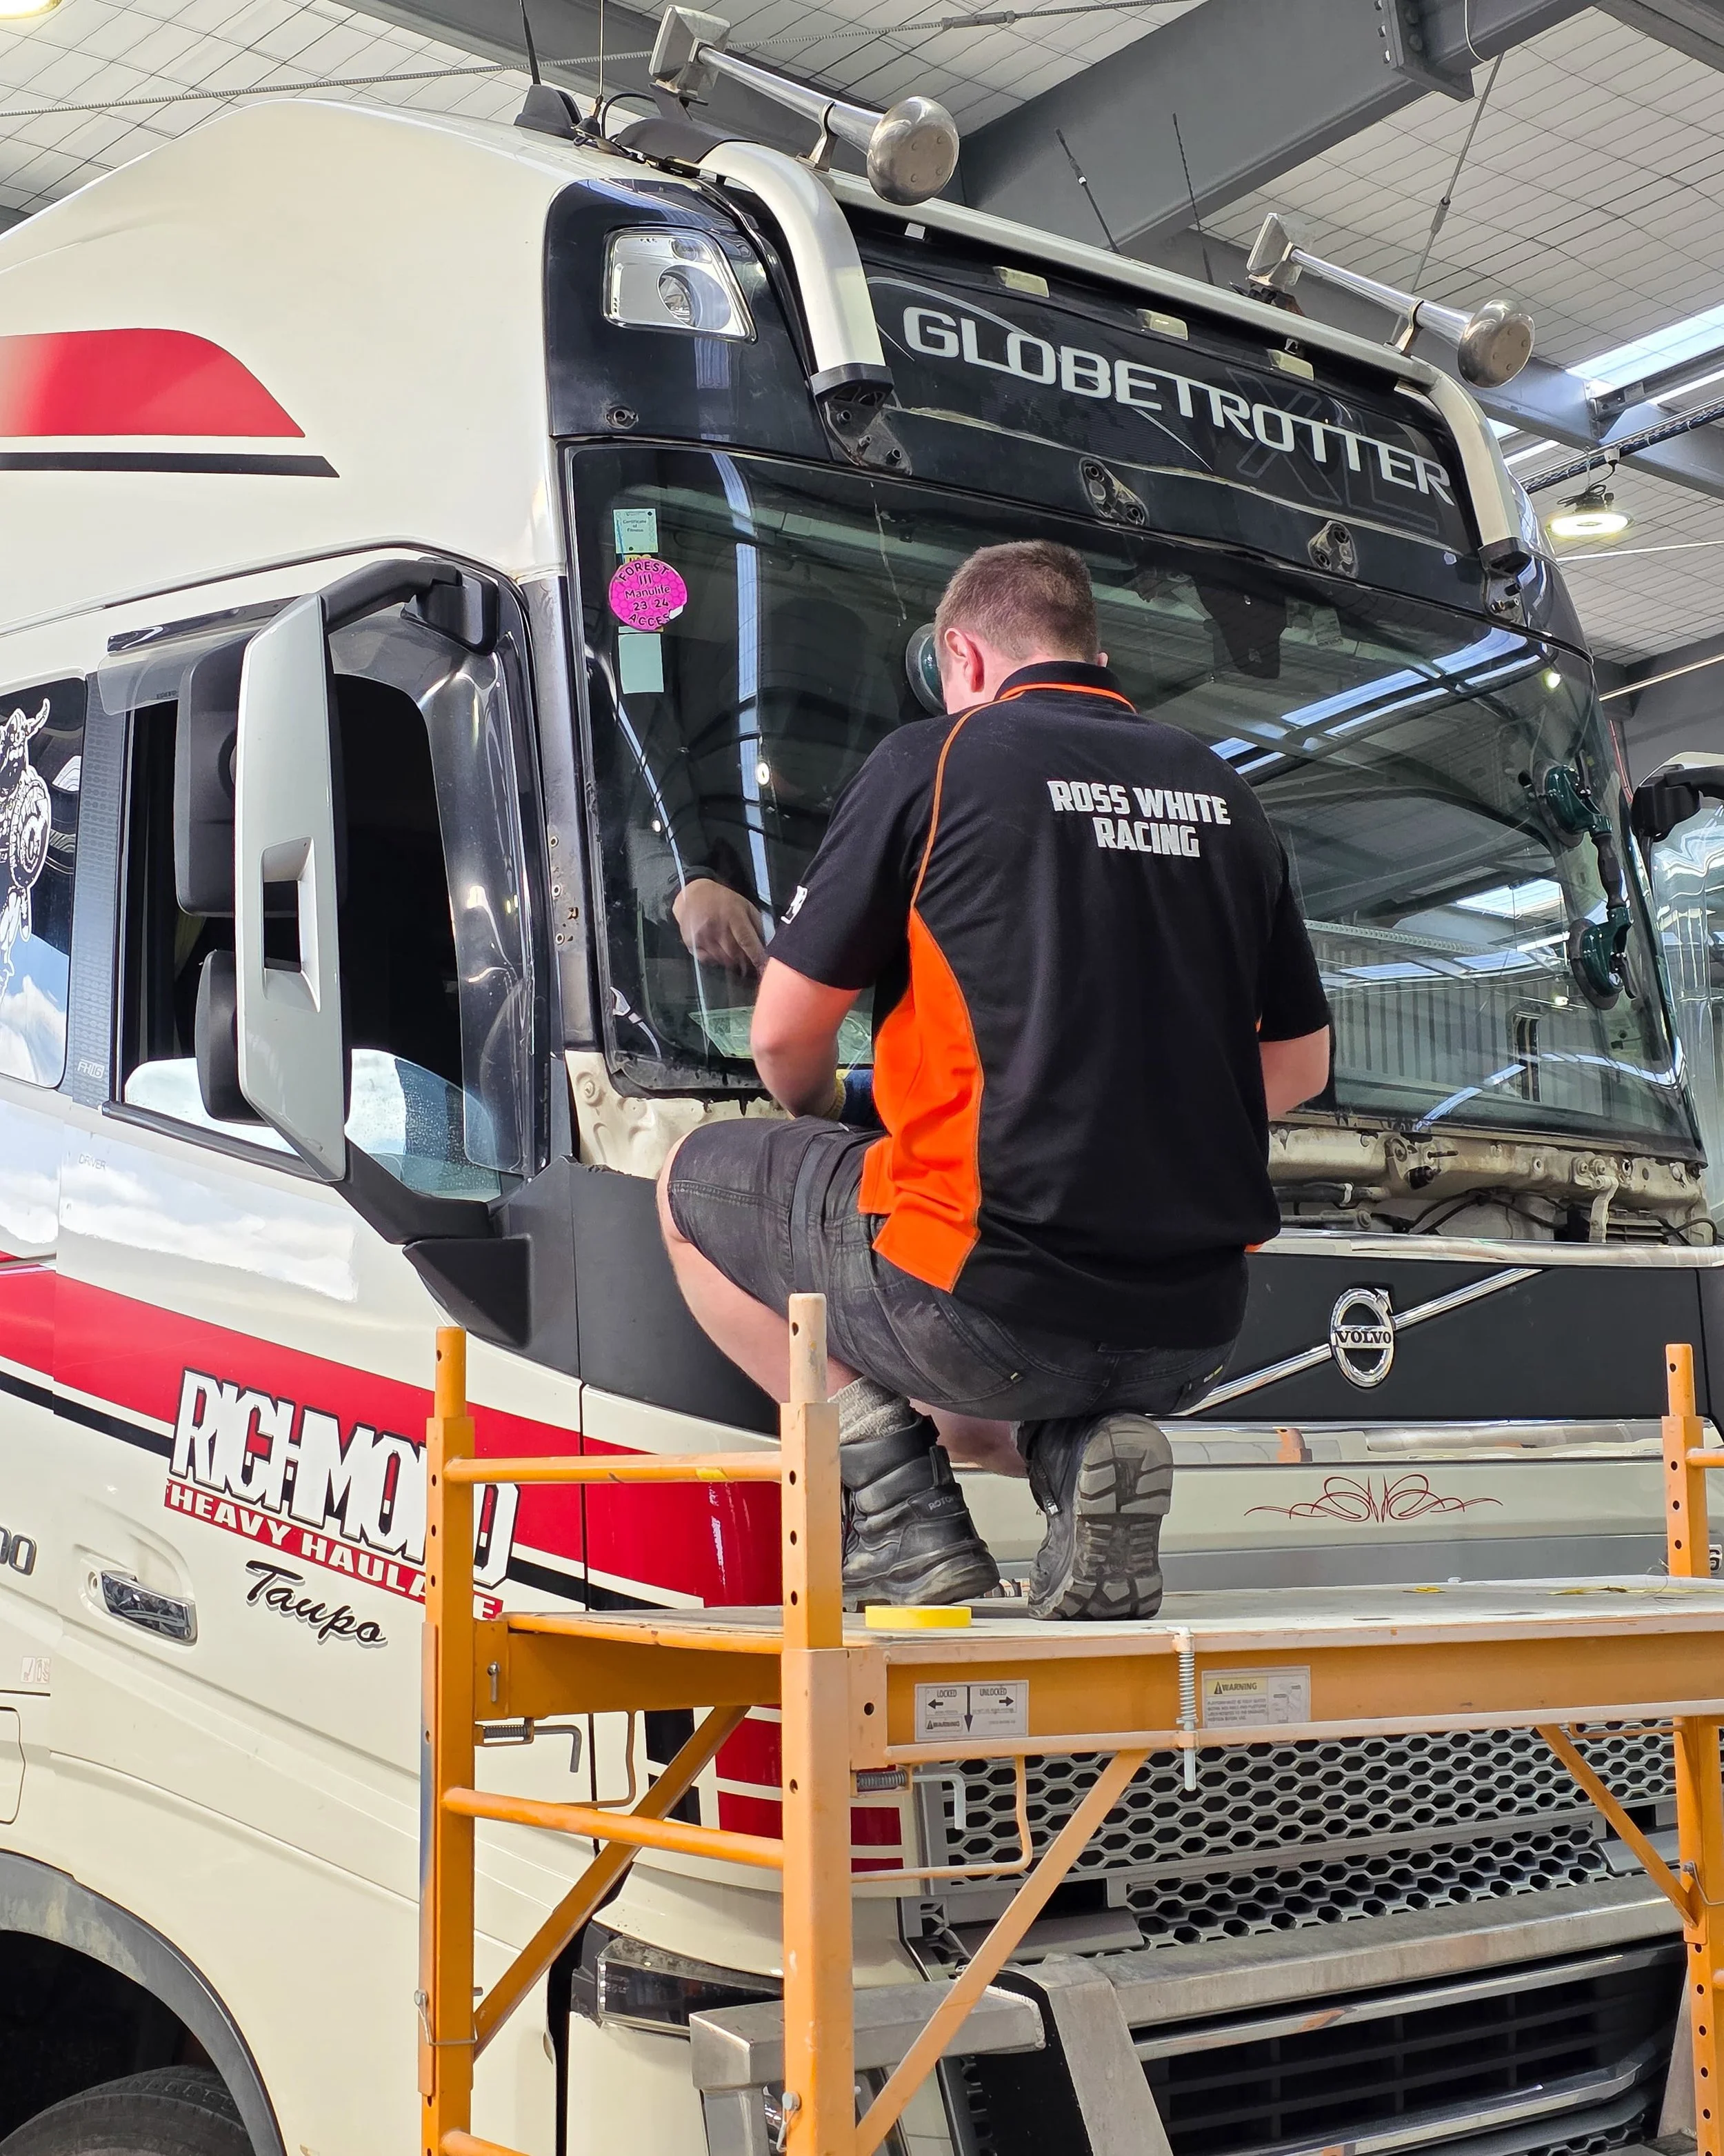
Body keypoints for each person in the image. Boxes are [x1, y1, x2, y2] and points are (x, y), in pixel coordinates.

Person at [656, 540, 1331, 1619]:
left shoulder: (940, 757)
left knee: (691, 1188)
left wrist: (833, 1116)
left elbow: (785, 1034)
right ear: (1094, 649)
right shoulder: (1227, 793)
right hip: (1193, 1331)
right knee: (1001, 1354)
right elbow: (1298, 1065)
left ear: (962, 653)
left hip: (981, 1302)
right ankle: (1077, 1454)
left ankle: (901, 1520)